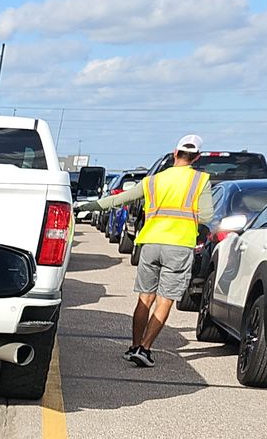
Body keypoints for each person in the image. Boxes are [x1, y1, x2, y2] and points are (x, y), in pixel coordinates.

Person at [79, 135, 212, 368]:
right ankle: (145, 349)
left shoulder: (153, 181)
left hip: (150, 243)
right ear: (197, 157)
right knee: (165, 300)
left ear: (175, 153)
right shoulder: (200, 181)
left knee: (145, 297)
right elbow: (207, 216)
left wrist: (85, 207)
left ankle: (133, 345)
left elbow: (119, 199)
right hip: (179, 246)